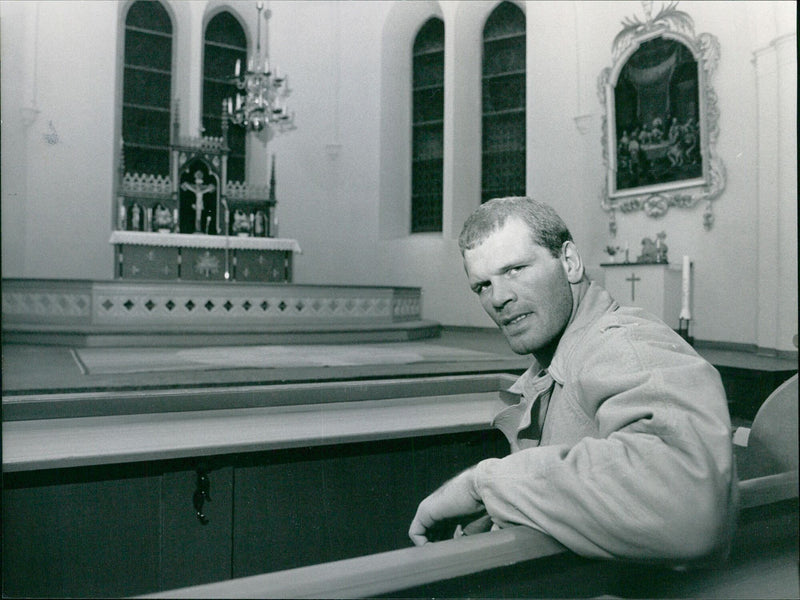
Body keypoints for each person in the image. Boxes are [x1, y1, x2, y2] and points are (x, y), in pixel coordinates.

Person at [408, 196, 736, 564]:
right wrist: (511, 508)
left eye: (515, 269)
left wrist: (483, 486)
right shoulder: (559, 361)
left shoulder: (626, 343)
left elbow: (690, 509)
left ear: (569, 262)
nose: (499, 298)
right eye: (482, 285)